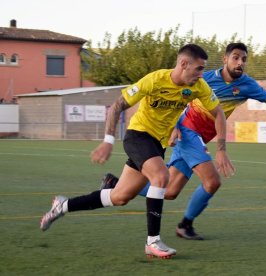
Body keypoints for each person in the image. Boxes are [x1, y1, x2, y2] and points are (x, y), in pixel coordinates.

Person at [101, 42, 266, 240]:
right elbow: (179, 98)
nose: (240, 62)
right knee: (212, 181)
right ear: (225, 59)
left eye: (244, 59)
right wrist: (175, 127)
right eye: (236, 57)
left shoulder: (248, 85)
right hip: (189, 133)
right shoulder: (204, 78)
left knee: (170, 191)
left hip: (199, 138)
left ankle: (116, 185)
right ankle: (185, 225)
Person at [39, 44, 234, 258]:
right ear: (183, 64)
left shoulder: (199, 87)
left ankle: (62, 205)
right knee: (161, 177)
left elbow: (219, 114)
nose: (201, 74)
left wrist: (221, 149)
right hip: (138, 136)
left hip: (156, 144)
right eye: (198, 68)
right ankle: (153, 242)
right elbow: (117, 105)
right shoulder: (154, 80)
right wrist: (108, 141)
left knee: (120, 197)